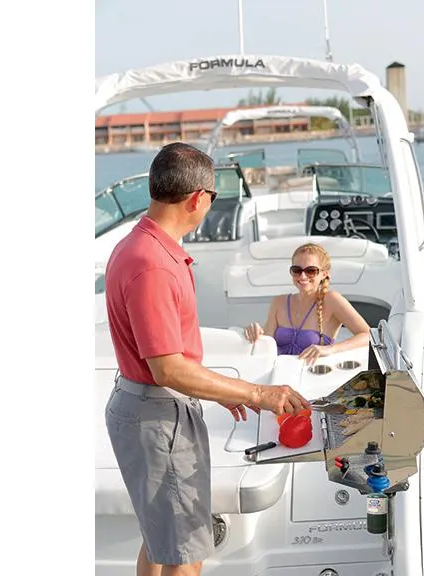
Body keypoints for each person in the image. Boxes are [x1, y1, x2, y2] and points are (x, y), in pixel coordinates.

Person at [103, 142, 310, 576]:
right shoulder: (154, 264)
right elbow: (167, 368)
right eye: (213, 195)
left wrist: (221, 391)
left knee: (160, 541)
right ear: (198, 198)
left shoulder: (136, 244)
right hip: (159, 419)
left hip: (144, 406)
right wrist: (257, 393)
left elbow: (168, 360)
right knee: (185, 554)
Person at [243, 242, 371, 365]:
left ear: (324, 274)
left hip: (312, 375)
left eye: (311, 271)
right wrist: (256, 332)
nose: (303, 276)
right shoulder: (279, 302)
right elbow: (266, 346)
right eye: (296, 270)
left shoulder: (332, 300)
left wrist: (331, 349)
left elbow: (368, 335)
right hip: (278, 373)